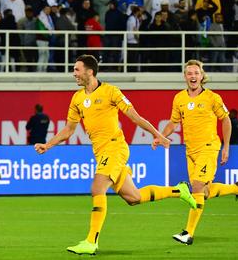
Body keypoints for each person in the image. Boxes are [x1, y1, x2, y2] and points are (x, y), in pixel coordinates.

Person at [34, 55, 197, 255]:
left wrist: (159, 135)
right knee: (133, 197)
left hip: (115, 147)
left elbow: (135, 117)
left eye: (77, 69)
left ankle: (91, 241)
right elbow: (69, 129)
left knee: (97, 188)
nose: (74, 73)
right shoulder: (77, 98)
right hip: (101, 152)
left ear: (90, 71)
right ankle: (179, 191)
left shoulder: (111, 92)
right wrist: (48, 145)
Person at [160, 60, 236, 245]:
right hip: (190, 151)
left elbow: (226, 120)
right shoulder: (179, 98)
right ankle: (236, 188)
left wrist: (226, 146)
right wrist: (161, 136)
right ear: (185, 77)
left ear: (202, 76)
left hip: (209, 148)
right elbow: (173, 122)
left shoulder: (212, 98)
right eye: (189, 73)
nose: (193, 76)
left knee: (196, 186)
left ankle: (188, 233)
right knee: (205, 192)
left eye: (196, 73)